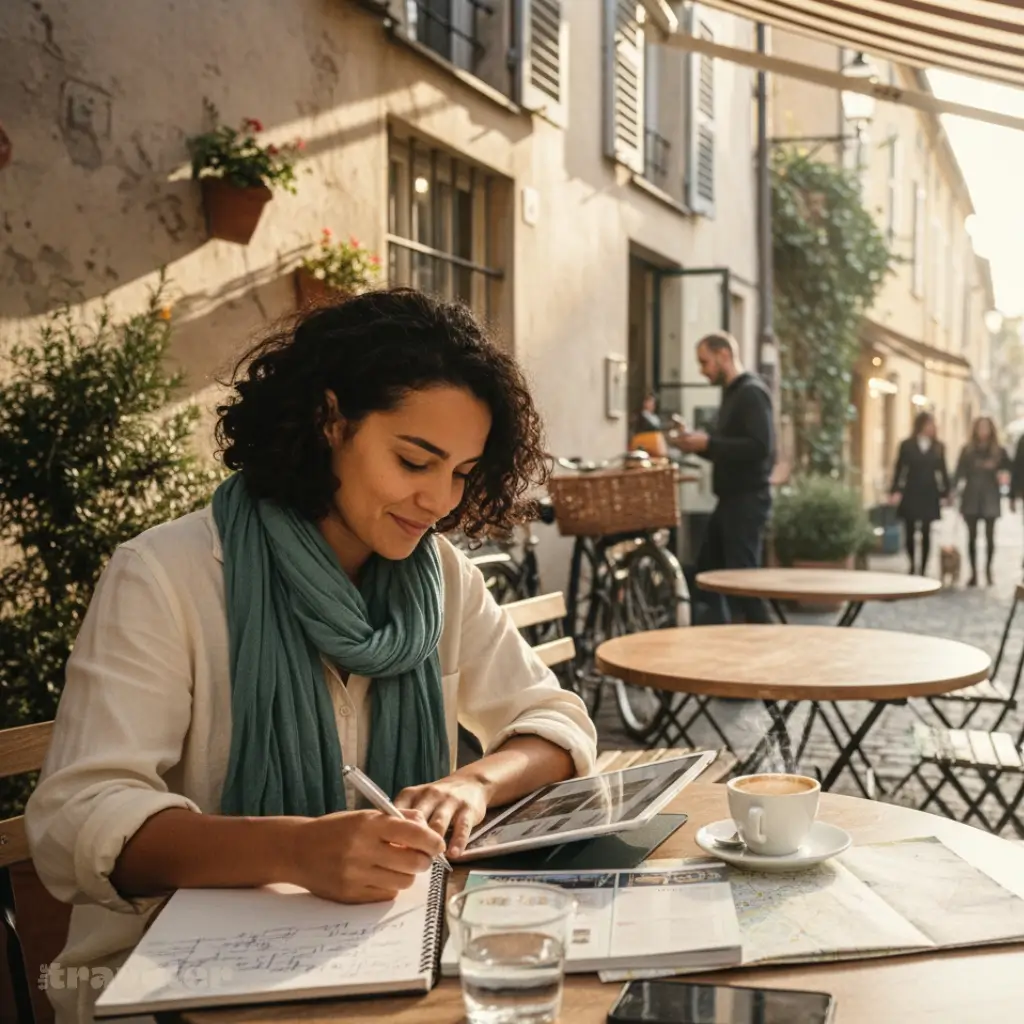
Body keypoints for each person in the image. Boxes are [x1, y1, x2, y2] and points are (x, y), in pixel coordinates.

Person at [24, 289, 598, 1023]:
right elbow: (77, 820)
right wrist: (292, 852)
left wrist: (474, 784)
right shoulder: (166, 576)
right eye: (413, 460)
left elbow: (556, 720)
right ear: (331, 420)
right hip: (171, 982)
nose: (439, 502)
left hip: (387, 961)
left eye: (460, 472)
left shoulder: (440, 578)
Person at [674, 331, 775, 624]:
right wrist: (698, 445)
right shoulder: (732, 394)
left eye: (704, 362)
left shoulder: (751, 392)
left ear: (724, 356)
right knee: (708, 576)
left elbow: (760, 447)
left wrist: (708, 443)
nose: (702, 370)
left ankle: (770, 639)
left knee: (743, 584)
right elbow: (729, 450)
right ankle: (719, 636)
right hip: (730, 501)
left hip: (747, 500)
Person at [889, 411, 951, 576]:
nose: (931, 428)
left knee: (926, 530)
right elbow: (899, 469)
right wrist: (895, 490)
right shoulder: (907, 445)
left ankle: (923, 567)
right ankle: (912, 563)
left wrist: (946, 492)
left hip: (929, 492)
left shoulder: (938, 447)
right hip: (911, 490)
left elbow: (943, 471)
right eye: (928, 424)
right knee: (909, 530)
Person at [954, 416, 1012, 587]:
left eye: (986, 427)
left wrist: (1001, 474)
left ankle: (988, 571)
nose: (983, 431)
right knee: (971, 537)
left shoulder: (999, 451)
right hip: (971, 496)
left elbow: (1008, 468)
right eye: (980, 427)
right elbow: (959, 472)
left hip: (990, 496)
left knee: (990, 537)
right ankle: (973, 573)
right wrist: (953, 491)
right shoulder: (968, 450)